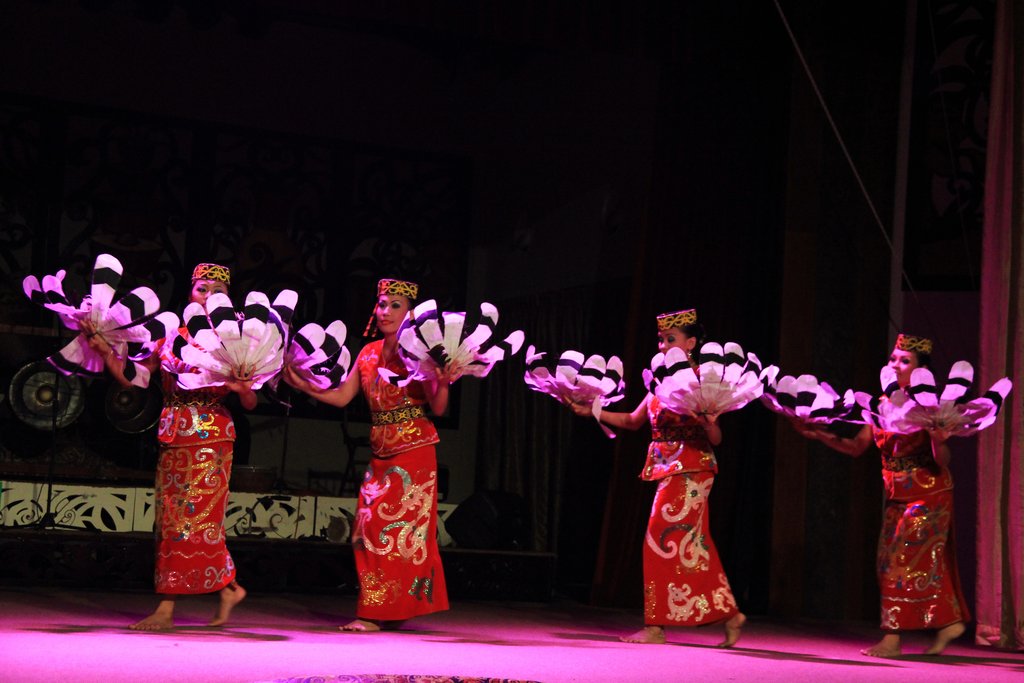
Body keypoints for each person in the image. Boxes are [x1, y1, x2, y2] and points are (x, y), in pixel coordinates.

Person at [85, 262, 256, 630]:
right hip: (173, 433)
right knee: (170, 520)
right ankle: (229, 587)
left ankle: (166, 608)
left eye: (217, 291)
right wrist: (105, 352)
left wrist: (243, 389)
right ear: (190, 292)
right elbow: (136, 378)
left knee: (190, 520)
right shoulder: (169, 333)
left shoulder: (235, 340)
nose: (208, 296)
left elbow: (250, 401)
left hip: (212, 437)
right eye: (201, 289)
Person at [285, 277, 451, 632]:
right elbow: (342, 397)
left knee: (395, 534)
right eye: (382, 304)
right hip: (380, 452)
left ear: (410, 315)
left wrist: (444, 380)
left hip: (415, 452)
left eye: (395, 306)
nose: (385, 311)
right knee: (365, 529)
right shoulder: (368, 352)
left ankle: (375, 613)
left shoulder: (419, 353)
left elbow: (438, 408)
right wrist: (304, 385)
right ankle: (387, 607)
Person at [571, 309, 745, 646]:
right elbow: (633, 421)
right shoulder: (662, 382)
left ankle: (655, 626)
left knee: (659, 539)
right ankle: (730, 613)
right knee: (692, 544)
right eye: (661, 340)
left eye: (670, 339)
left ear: (691, 344)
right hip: (668, 469)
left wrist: (708, 421)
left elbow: (717, 437)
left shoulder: (704, 382)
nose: (663, 346)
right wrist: (592, 410)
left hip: (693, 468)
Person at [795, 333, 968, 657]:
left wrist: (938, 439)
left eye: (905, 360)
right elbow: (857, 446)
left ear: (921, 370)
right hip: (896, 495)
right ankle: (949, 623)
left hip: (929, 493)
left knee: (899, 562)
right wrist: (820, 435)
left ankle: (892, 638)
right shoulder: (880, 404)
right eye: (893, 359)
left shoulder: (929, 406)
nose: (896, 364)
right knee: (887, 562)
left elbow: (943, 460)